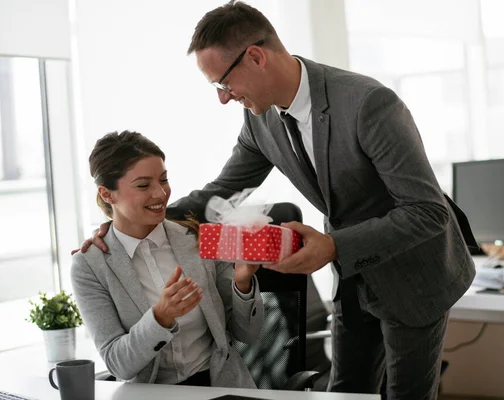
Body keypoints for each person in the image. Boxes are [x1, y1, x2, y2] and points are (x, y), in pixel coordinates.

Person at [79, 3, 478, 398]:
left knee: (406, 395)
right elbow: (218, 191)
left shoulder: (368, 104)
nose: (222, 98)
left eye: (223, 83)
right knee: (345, 392)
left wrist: (336, 245)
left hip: (413, 271)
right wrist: (124, 224)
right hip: (354, 277)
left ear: (255, 57)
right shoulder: (261, 119)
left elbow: (428, 212)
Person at [71, 130, 263, 387]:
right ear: (107, 194)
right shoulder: (89, 266)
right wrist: (160, 317)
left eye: (164, 180)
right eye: (143, 185)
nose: (160, 194)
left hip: (219, 386)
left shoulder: (195, 237)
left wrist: (242, 284)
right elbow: (118, 364)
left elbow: (249, 334)